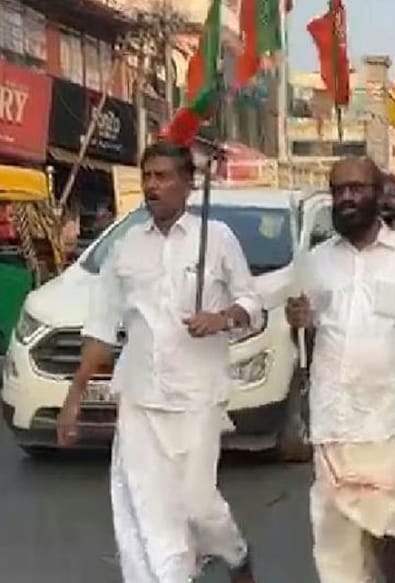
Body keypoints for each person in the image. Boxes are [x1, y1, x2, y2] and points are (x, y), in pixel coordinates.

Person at [57, 141, 261, 583]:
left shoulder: (217, 238)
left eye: (163, 176)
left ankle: (236, 554)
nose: (152, 185)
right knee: (148, 519)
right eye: (147, 176)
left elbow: (252, 304)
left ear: (188, 184)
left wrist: (222, 317)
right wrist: (74, 398)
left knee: (197, 504)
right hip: (141, 399)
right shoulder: (126, 247)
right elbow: (101, 329)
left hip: (198, 398)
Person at [285, 157, 395, 583]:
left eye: (357, 188)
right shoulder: (315, 261)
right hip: (334, 417)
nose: (347, 197)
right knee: (334, 538)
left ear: (377, 192)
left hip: (390, 418)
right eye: (338, 190)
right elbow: (305, 334)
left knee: (389, 522)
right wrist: (296, 319)